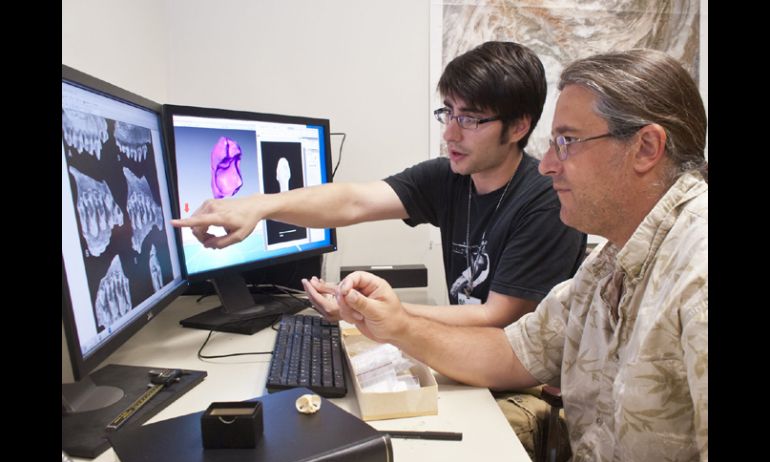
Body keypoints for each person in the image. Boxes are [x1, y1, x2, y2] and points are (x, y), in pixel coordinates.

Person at [333, 49, 708, 462]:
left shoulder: (697, 271)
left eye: (567, 141)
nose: (547, 165)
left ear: (645, 147)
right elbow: (513, 353)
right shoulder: (608, 266)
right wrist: (396, 325)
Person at [172, 41, 586, 330]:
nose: (451, 135)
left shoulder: (547, 201)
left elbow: (496, 318)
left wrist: (373, 312)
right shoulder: (449, 177)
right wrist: (258, 206)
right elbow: (352, 201)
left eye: (471, 119)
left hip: (514, 381)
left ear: (518, 126)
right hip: (464, 348)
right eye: (448, 114)